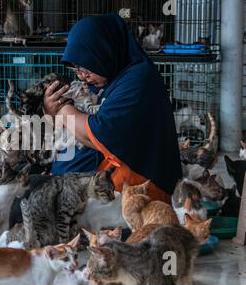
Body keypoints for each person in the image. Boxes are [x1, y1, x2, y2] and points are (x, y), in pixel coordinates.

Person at [44, 14, 182, 203]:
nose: (82, 76)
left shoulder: (138, 80)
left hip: (135, 196)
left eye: (86, 68)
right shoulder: (105, 77)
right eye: (76, 70)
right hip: (95, 192)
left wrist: (61, 109)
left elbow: (100, 133)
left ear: (104, 52)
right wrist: (52, 112)